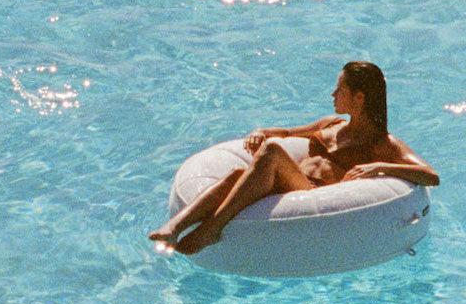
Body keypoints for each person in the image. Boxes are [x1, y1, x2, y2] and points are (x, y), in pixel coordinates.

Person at [150, 61, 440, 255]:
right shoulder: (330, 124)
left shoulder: (381, 143)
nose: (333, 94)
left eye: (340, 88)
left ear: (360, 97)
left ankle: (213, 228)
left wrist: (380, 166)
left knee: (274, 152)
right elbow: (287, 132)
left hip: (313, 192)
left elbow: (431, 175)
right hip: (289, 182)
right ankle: (175, 227)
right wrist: (261, 131)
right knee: (235, 176)